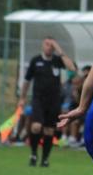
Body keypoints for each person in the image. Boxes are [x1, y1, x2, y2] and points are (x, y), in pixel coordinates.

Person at [18, 37, 76, 167]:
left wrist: (59, 50)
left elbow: (71, 68)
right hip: (38, 100)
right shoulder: (36, 61)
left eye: (51, 45)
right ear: (42, 46)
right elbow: (27, 81)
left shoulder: (57, 60)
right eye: (47, 44)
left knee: (49, 130)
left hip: (54, 101)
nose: (49, 47)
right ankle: (33, 154)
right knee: (36, 126)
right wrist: (22, 98)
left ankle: (45, 159)